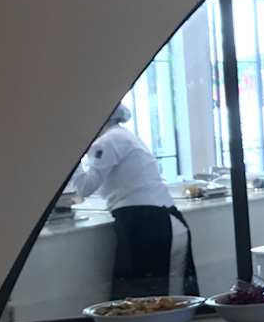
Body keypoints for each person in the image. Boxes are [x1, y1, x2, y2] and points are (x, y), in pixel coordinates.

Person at [73, 104, 198, 299]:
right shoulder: (122, 137)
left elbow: (84, 188)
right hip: (157, 220)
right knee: (155, 298)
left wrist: (71, 156)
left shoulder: (108, 141)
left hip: (151, 223)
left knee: (153, 299)